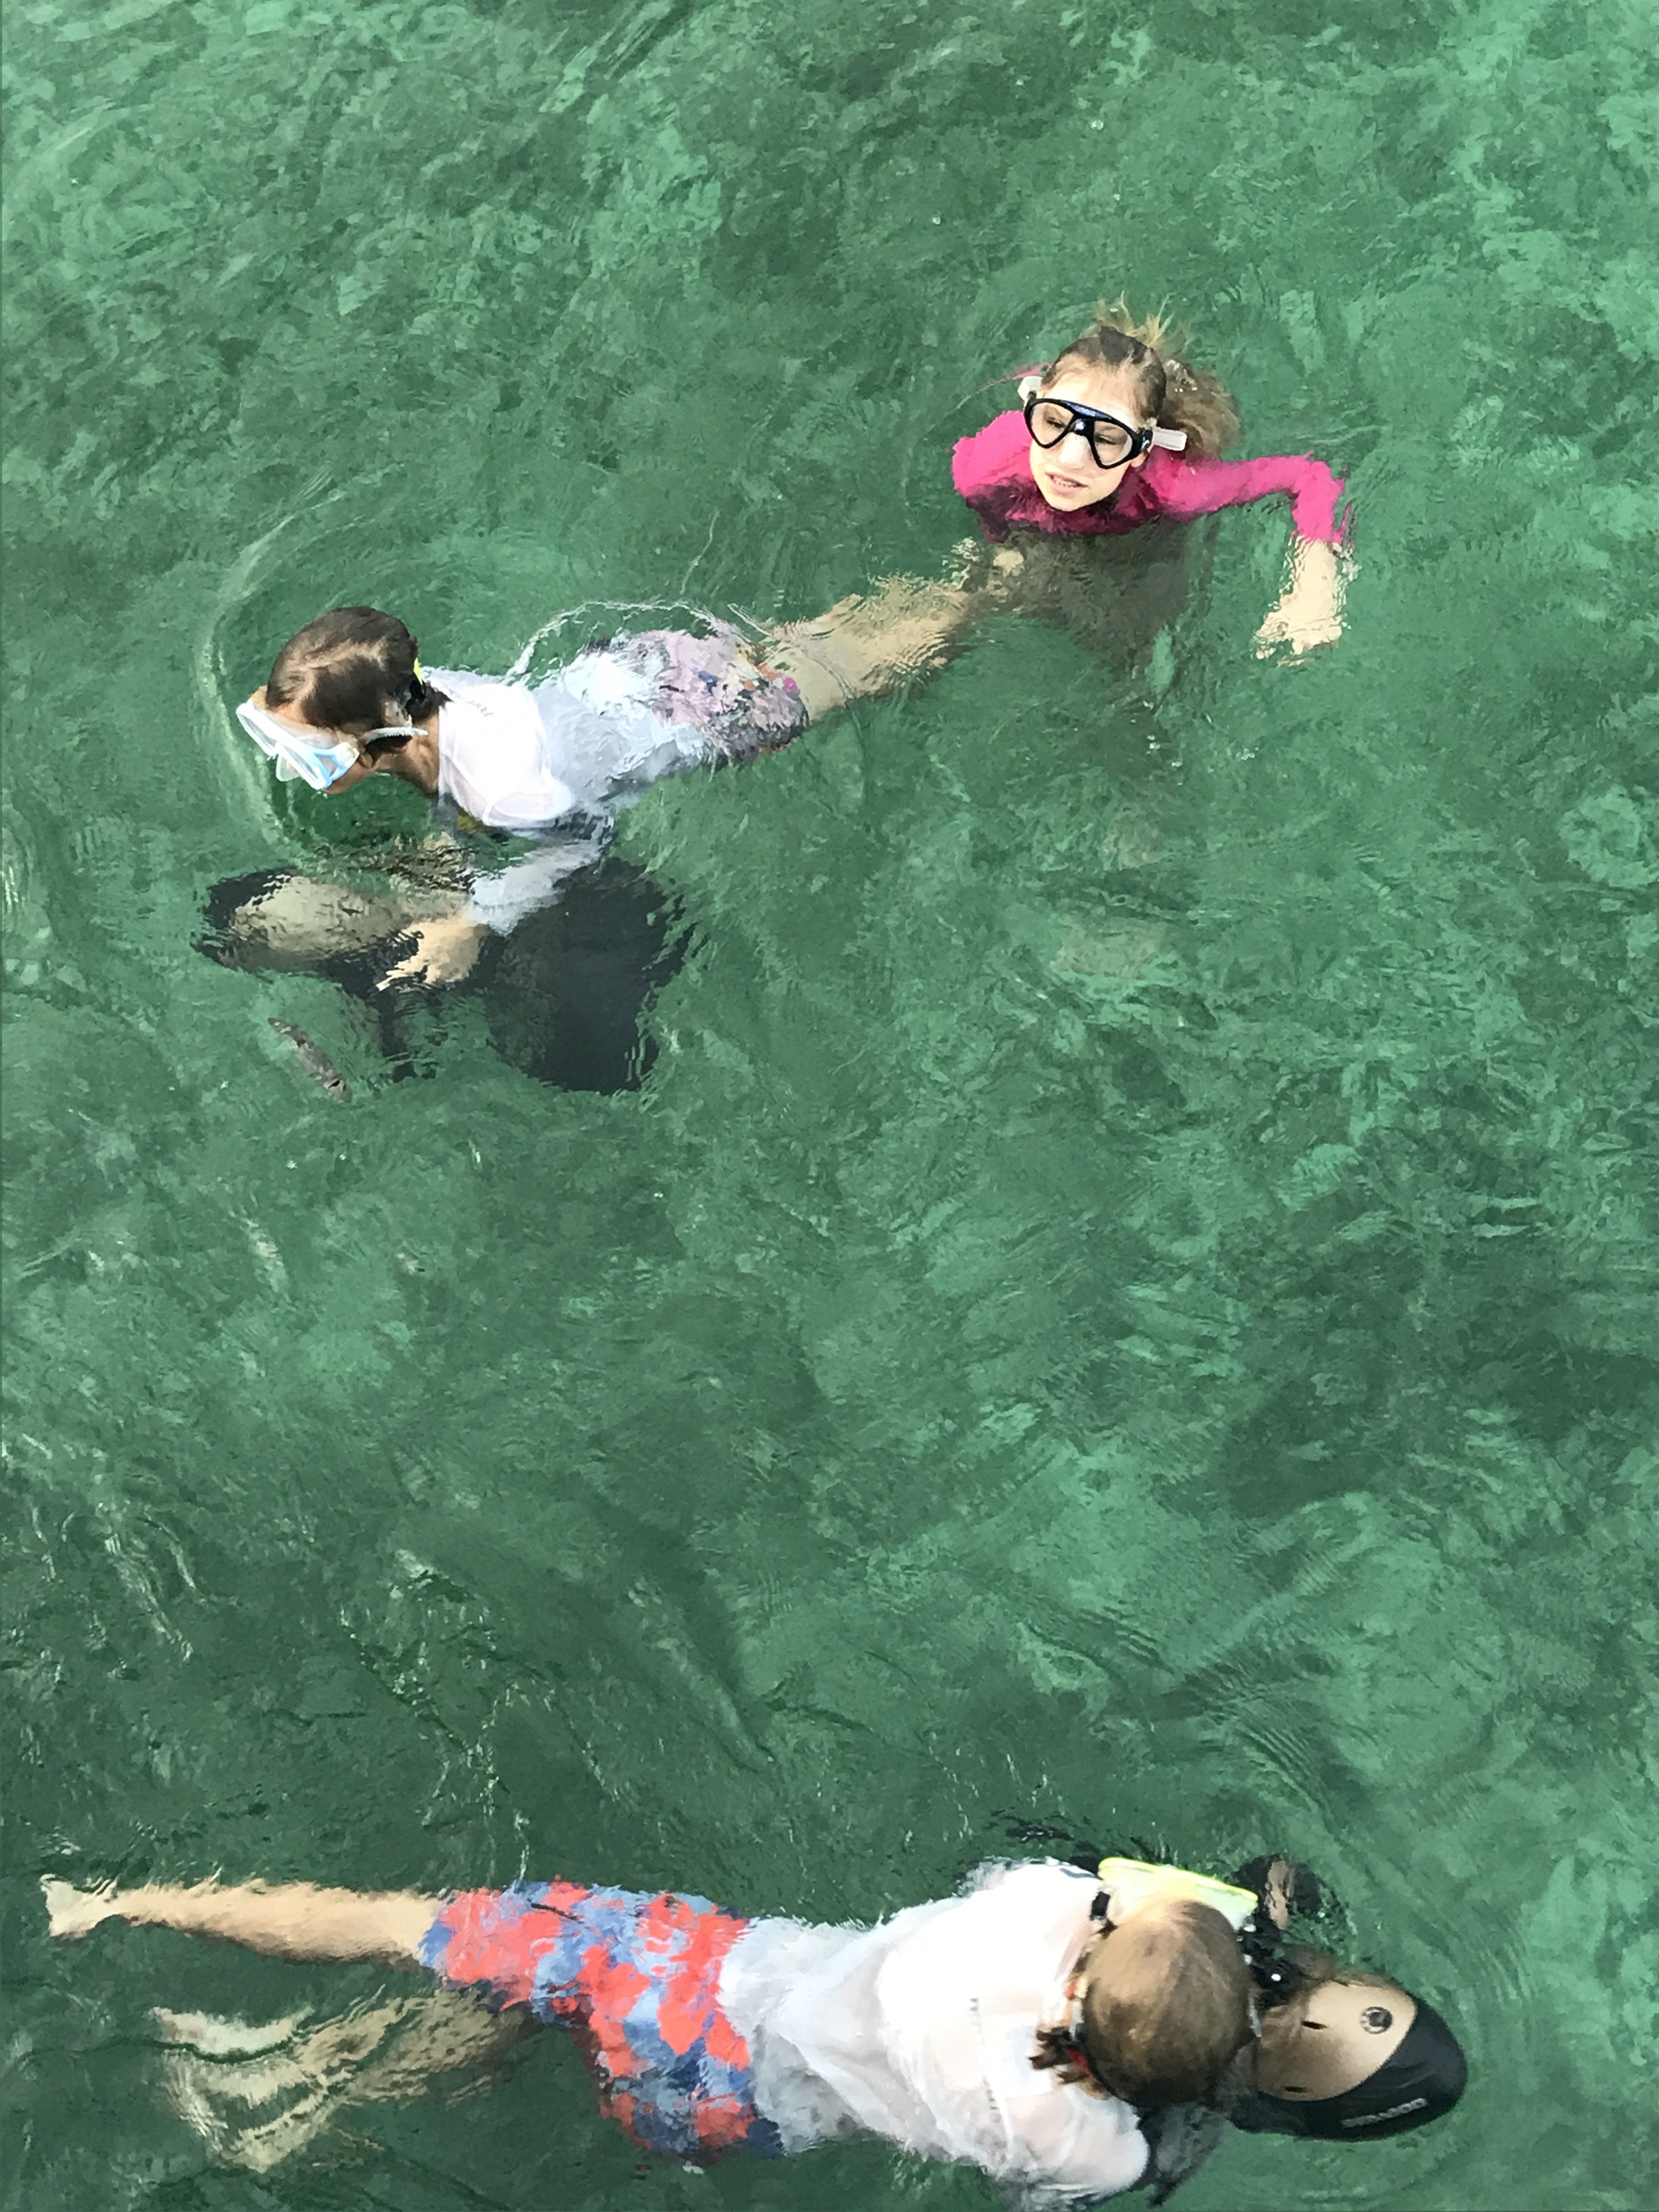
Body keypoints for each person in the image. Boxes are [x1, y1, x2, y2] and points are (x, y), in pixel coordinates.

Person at [42, 1849, 1463, 2203]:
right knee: (522, 2042)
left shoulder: (1026, 1909)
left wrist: (1233, 1917)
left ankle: (116, 1907)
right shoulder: (1072, 2137)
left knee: (413, 1928)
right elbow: (1138, 2154)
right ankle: (301, 2107)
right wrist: (1204, 2084)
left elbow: (1113, 1887)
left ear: (1092, 1951)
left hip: (688, 1970)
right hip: (710, 2105)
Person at [222, 585, 986, 998]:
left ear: (383, 739)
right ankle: (945, 596)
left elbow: (586, 841)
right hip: (630, 671)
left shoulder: (500, 792)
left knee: (857, 668)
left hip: (702, 717)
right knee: (805, 646)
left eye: (309, 752)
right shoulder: (424, 698)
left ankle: (987, 601)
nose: (290, 765)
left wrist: (472, 924)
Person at [952, 305, 1351, 662]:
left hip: (1137, 534)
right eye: (1054, 421)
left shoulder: (1175, 487)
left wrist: (1315, 584)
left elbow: (1311, 475)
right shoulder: (986, 468)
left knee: (1135, 646)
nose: (1070, 459)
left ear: (1141, 451)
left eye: (1107, 439)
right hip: (1058, 529)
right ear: (1032, 409)